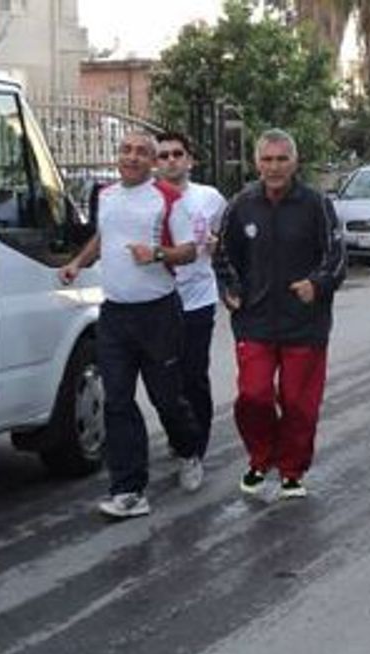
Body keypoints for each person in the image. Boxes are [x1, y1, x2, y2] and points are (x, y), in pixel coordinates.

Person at [58, 130, 205, 519]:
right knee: (117, 402)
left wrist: (156, 254)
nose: (132, 157)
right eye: (126, 150)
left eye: (142, 152)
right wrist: (77, 263)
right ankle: (129, 489)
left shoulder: (168, 198)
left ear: (153, 162)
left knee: (166, 398)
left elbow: (190, 251)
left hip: (158, 314)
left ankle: (189, 449)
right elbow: (103, 236)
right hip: (115, 314)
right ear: (118, 156)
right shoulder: (106, 195)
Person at [215, 128, 346, 500]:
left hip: (304, 323)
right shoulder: (241, 205)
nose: (274, 167)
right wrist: (230, 289)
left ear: (294, 162)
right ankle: (260, 458)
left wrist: (316, 284)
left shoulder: (316, 205)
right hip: (254, 321)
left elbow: (337, 258)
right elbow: (223, 256)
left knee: (298, 404)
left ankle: (291, 470)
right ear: (257, 163)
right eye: (268, 159)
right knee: (253, 396)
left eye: (282, 159)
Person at [154, 130, 227, 491]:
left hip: (198, 297)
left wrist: (216, 243)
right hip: (157, 299)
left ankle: (195, 449)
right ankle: (179, 435)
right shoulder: (147, 199)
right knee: (164, 379)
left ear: (190, 160)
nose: (171, 160)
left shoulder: (209, 198)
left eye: (177, 154)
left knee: (194, 374)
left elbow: (226, 238)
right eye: (163, 155)